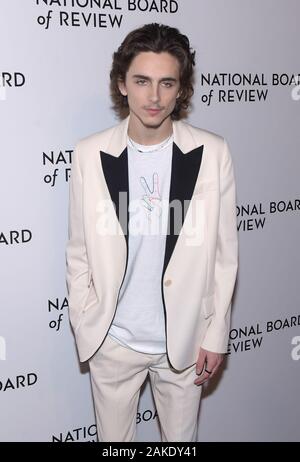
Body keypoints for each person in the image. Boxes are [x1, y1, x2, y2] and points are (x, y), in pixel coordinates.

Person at [65, 22, 238, 442]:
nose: (154, 97)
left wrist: (215, 334)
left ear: (181, 89)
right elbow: (78, 250)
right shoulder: (89, 154)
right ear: (122, 84)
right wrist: (87, 320)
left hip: (182, 344)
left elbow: (224, 253)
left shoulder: (212, 153)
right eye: (142, 81)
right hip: (113, 340)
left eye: (166, 83)